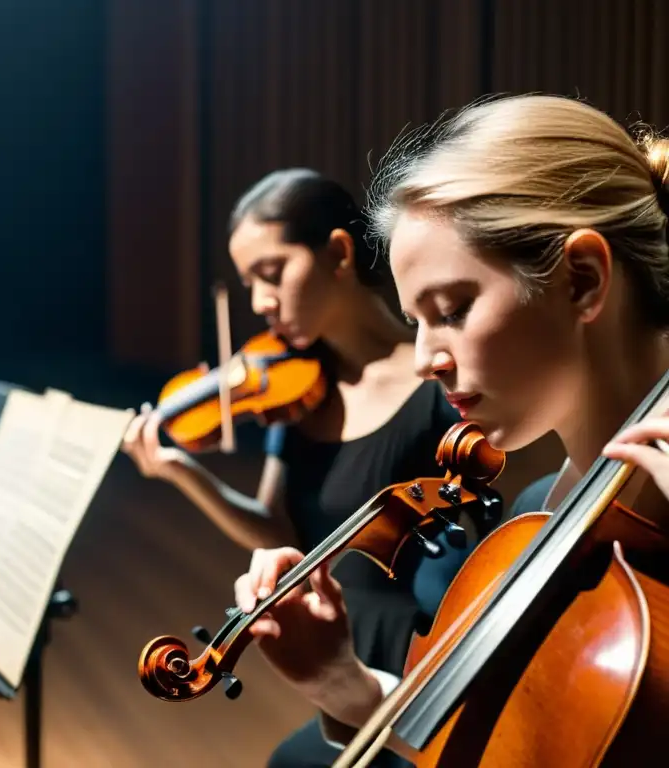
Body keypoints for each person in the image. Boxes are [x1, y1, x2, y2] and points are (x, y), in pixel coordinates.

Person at [232, 93, 669, 761]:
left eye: (453, 309)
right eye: (417, 321)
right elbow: (492, 744)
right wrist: (341, 681)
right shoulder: (534, 515)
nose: (426, 359)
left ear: (581, 280)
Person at [121, 169, 470, 767]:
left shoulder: (442, 387)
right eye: (248, 282)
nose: (259, 302)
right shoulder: (297, 390)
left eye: (272, 273)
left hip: (417, 646)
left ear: (337, 252)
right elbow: (280, 533)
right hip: (337, 641)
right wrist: (182, 472)